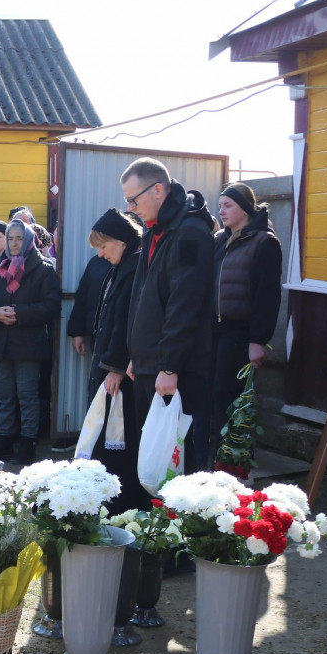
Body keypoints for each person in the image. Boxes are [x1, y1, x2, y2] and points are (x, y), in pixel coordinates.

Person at [121, 157, 216, 472]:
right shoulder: (153, 229)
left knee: (175, 463)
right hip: (150, 363)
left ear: (158, 190)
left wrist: (169, 366)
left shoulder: (189, 233)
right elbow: (143, 297)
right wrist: (137, 354)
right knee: (151, 458)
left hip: (176, 369)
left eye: (133, 200)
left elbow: (185, 304)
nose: (130, 208)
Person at [0, 219, 61, 463]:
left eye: (19, 238)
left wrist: (19, 313)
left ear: (29, 241)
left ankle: (27, 441)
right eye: (10, 238)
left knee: (27, 395)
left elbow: (51, 306)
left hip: (28, 343)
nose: (13, 243)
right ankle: (4, 439)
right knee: (3, 394)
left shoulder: (43, 269)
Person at [211, 183, 282, 475]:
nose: (222, 211)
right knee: (214, 398)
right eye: (220, 206)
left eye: (228, 205)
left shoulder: (264, 242)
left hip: (240, 333)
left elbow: (268, 296)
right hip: (215, 331)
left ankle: (236, 469)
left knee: (233, 401)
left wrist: (257, 340)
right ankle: (216, 462)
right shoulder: (220, 239)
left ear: (245, 208)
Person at [84, 209, 146, 514]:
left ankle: (121, 505)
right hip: (108, 365)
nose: (100, 253)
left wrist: (115, 368)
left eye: (103, 246)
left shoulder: (135, 267)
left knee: (117, 437)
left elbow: (127, 321)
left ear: (121, 241)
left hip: (118, 373)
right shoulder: (121, 265)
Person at [66, 255, 114, 360]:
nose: (101, 252)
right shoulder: (96, 262)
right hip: (97, 337)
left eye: (103, 247)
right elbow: (82, 297)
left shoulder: (133, 263)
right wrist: (77, 332)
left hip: (121, 339)